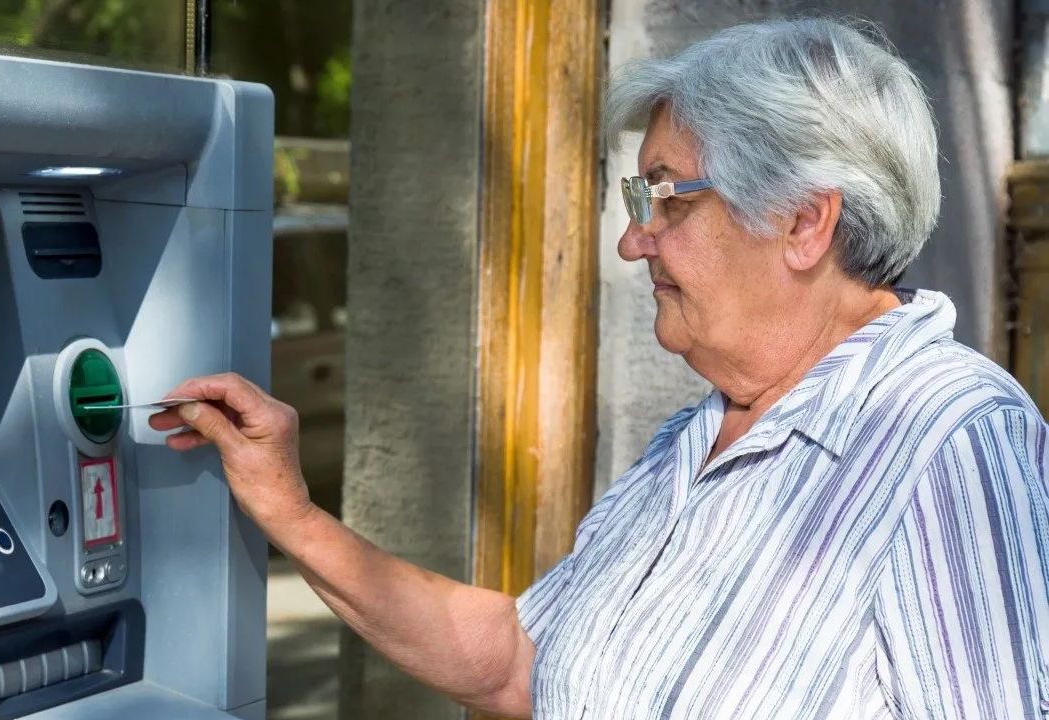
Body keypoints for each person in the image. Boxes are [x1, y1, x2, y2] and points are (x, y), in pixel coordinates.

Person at [149, 17, 1049, 719]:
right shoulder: (697, 435)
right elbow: (517, 662)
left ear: (804, 223)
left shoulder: (950, 437)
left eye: (663, 196)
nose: (632, 239)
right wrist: (292, 514)